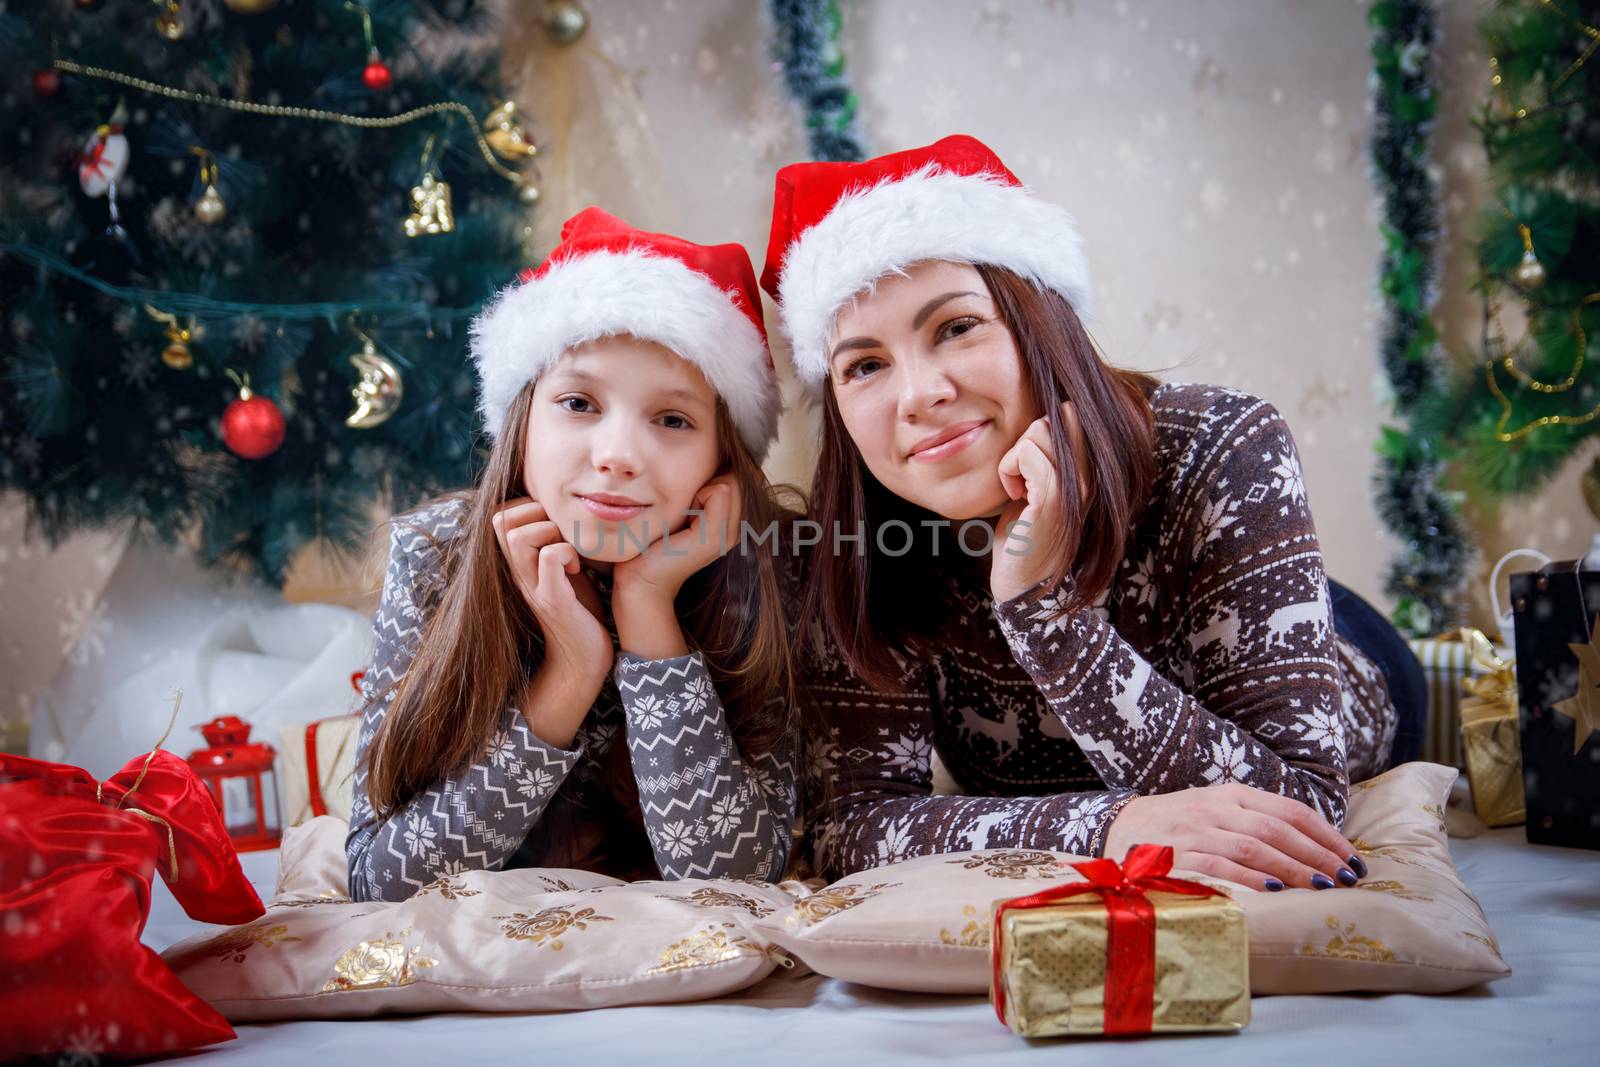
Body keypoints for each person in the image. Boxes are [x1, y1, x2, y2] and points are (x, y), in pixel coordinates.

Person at [762, 135, 1416, 892]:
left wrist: (1045, 617)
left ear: (1040, 322)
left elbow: (1296, 806)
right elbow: (853, 826)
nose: (918, 394)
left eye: (956, 327)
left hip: (1334, 642)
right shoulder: (856, 544)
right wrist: (1113, 826)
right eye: (865, 365)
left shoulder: (1220, 445)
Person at [346, 207, 801, 902]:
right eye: (580, 402)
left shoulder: (765, 565)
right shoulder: (435, 555)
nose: (617, 455)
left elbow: (733, 880)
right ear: (522, 419)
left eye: (672, 419)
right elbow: (381, 883)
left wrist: (648, 609)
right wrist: (572, 671)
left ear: (721, 457)